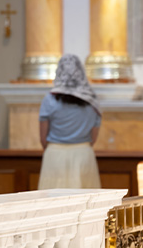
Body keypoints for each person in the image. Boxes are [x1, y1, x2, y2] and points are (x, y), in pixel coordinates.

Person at [37, 54, 102, 189]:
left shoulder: (49, 100)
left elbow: (43, 138)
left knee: (53, 203)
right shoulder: (92, 101)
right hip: (83, 154)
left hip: (55, 156)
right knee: (86, 203)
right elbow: (93, 138)